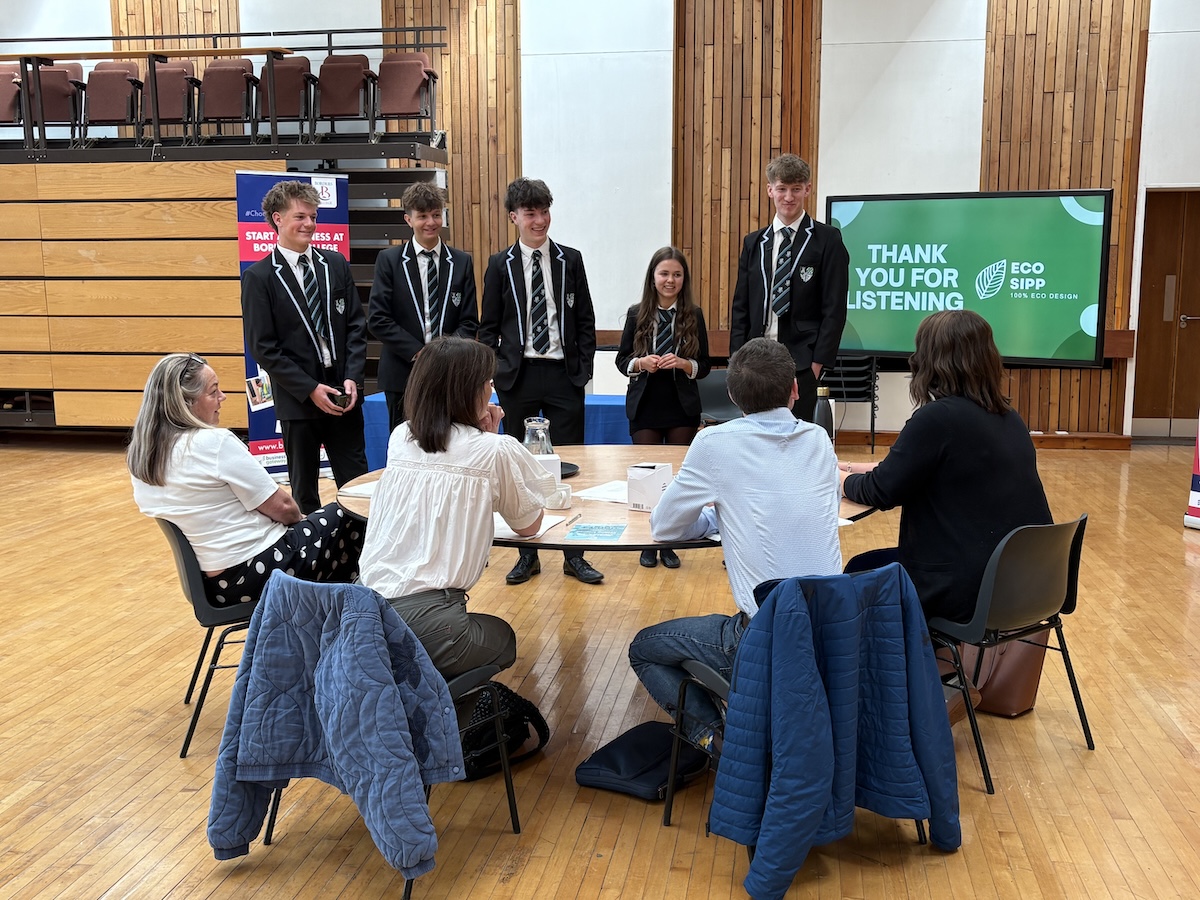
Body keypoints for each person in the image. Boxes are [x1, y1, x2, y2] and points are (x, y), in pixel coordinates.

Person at [627, 338, 842, 745]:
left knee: (644, 647)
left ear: (731, 395)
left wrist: (716, 516)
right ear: (795, 390)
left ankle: (718, 741)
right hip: (833, 635)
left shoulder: (715, 443)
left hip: (765, 642)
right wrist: (731, 512)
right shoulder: (818, 438)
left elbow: (665, 527)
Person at [358, 336, 565, 677]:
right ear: (467, 391)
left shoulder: (401, 436)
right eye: (487, 382)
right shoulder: (495, 449)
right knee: (503, 638)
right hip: (430, 620)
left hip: (365, 606)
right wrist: (491, 438)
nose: (491, 389)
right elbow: (529, 525)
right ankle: (445, 704)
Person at [840, 310, 1052, 623]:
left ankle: (920, 654)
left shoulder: (937, 419)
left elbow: (881, 490)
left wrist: (836, 478)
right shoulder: (1009, 418)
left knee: (858, 572)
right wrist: (847, 466)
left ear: (930, 361)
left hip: (965, 588)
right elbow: (905, 468)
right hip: (1025, 582)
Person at [129, 353, 363, 607]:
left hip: (213, 586)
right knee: (349, 515)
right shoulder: (212, 443)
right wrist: (304, 522)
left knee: (329, 533)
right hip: (258, 572)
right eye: (213, 391)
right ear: (187, 402)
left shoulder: (142, 457)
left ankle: (329, 614)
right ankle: (351, 613)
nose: (223, 397)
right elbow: (284, 508)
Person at [479, 176, 603, 586]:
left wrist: (583, 369)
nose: (539, 220)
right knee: (519, 469)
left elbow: (585, 319)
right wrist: (494, 373)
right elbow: (488, 327)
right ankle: (527, 555)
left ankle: (574, 555)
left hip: (564, 375)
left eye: (544, 211)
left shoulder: (571, 260)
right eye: (530, 213)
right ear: (513, 217)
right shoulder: (500, 264)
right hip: (518, 377)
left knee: (571, 467)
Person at [241, 179, 368, 514]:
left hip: (343, 394)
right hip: (299, 401)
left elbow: (356, 326)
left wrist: (353, 377)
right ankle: (313, 549)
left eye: (313, 216)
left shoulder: (335, 264)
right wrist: (310, 388)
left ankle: (361, 547)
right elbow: (263, 346)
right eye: (300, 216)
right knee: (305, 491)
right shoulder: (259, 277)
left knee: (357, 485)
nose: (309, 224)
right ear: (277, 218)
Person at [729, 153, 849, 423]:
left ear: (807, 189)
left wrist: (817, 363)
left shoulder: (827, 239)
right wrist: (736, 359)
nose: (788, 197)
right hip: (755, 359)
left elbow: (835, 308)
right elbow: (741, 307)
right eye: (782, 188)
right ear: (770, 189)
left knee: (796, 436)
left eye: (796, 189)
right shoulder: (754, 243)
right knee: (757, 436)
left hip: (802, 362)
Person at [615, 246, 712, 569]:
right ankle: (647, 542)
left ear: (684, 279)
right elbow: (622, 361)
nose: (670, 280)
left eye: (677, 274)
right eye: (664, 273)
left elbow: (704, 365)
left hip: (681, 406)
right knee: (646, 478)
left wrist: (684, 364)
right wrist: (640, 363)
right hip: (645, 405)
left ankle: (669, 541)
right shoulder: (636, 313)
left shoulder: (694, 314)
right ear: (653, 277)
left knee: (676, 479)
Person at [368, 181, 479, 433]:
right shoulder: (389, 260)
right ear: (408, 219)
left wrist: (445, 356)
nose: (431, 222)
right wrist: (420, 354)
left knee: (450, 442)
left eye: (436, 215)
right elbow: (378, 319)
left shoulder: (461, 261)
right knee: (405, 445)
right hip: (403, 374)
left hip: (450, 374)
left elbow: (469, 320)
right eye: (422, 216)